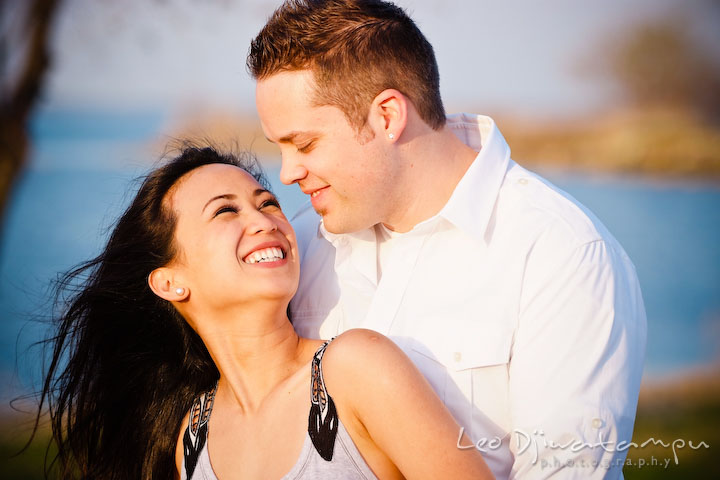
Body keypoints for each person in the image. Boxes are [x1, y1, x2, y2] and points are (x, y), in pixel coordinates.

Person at [248, 0, 647, 478]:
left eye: (305, 144)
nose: (288, 173)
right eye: (281, 149)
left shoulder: (560, 253)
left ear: (388, 116)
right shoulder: (303, 245)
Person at [36, 146, 493, 479]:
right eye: (224, 212)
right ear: (171, 282)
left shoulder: (356, 369)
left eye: (267, 203)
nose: (264, 220)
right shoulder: (193, 441)